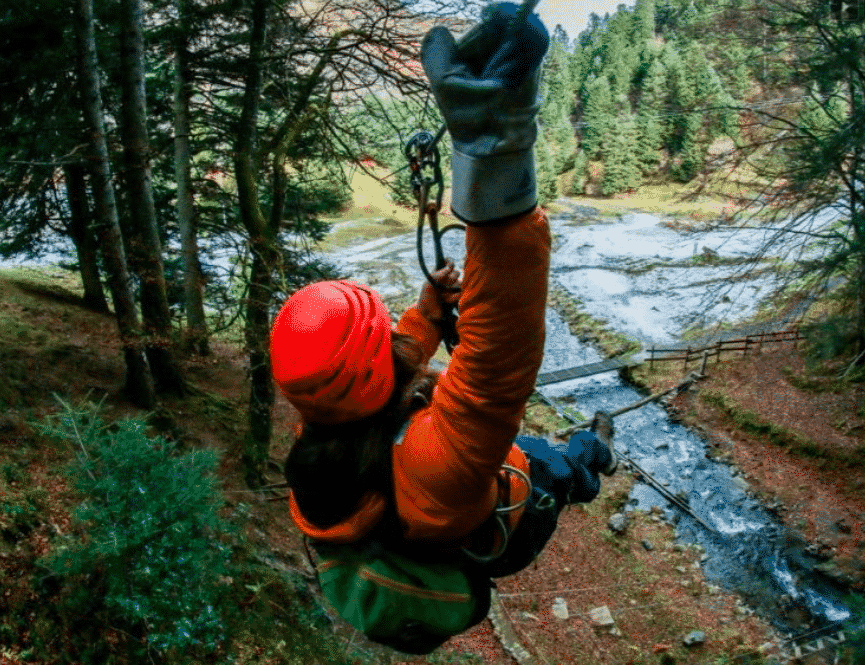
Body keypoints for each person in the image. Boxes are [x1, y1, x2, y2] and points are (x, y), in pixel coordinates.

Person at [270, 2, 616, 579]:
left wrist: (428, 316)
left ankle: (587, 454)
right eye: (381, 333)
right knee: (558, 464)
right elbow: (497, 356)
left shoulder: (322, 425)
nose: (391, 336)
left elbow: (386, 368)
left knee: (533, 451)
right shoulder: (435, 458)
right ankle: (596, 455)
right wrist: (497, 170)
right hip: (505, 527)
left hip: (416, 511)